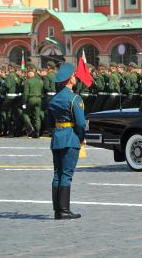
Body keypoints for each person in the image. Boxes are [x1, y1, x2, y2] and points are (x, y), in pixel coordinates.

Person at [48, 63, 86, 220]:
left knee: (57, 174)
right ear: (70, 79)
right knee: (66, 174)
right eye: (74, 76)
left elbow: (49, 123)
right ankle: (64, 210)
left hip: (57, 138)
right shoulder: (74, 98)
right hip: (70, 138)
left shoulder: (54, 99)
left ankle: (58, 210)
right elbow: (81, 123)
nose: (75, 77)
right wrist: (81, 137)